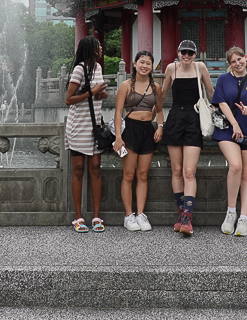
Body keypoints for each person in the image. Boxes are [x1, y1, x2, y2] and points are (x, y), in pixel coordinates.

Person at [159, 39, 214, 236]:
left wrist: (227, 113)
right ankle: (180, 212)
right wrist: (157, 119)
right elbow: (162, 95)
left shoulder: (201, 68)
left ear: (195, 54)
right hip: (175, 118)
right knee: (176, 170)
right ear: (178, 52)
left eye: (190, 53)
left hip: (194, 118)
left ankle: (188, 217)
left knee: (189, 172)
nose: (187, 56)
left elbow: (211, 92)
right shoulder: (171, 69)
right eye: (184, 52)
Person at [212, 46, 247, 236]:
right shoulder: (223, 79)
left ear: (245, 58)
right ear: (229, 64)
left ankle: (244, 218)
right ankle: (231, 212)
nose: (237, 63)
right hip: (228, 129)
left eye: (239, 59)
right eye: (233, 61)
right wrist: (234, 123)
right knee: (235, 166)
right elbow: (222, 102)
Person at [113, 50, 164, 232]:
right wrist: (118, 137)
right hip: (130, 130)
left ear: (152, 67)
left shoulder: (156, 87)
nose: (145, 66)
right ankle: (129, 215)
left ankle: (141, 214)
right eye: (141, 62)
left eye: (148, 63)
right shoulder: (126, 86)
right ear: (134, 64)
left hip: (147, 130)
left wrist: (160, 126)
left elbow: (159, 110)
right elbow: (118, 113)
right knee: (128, 175)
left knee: (143, 175)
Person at [63, 36, 109, 232]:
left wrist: (101, 93)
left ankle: (97, 216)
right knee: (79, 169)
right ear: (91, 49)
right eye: (98, 46)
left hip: (94, 125)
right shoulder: (79, 69)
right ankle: (78, 217)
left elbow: (100, 94)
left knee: (96, 168)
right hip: (78, 126)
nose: (101, 48)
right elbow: (68, 99)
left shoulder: (97, 68)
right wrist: (92, 92)